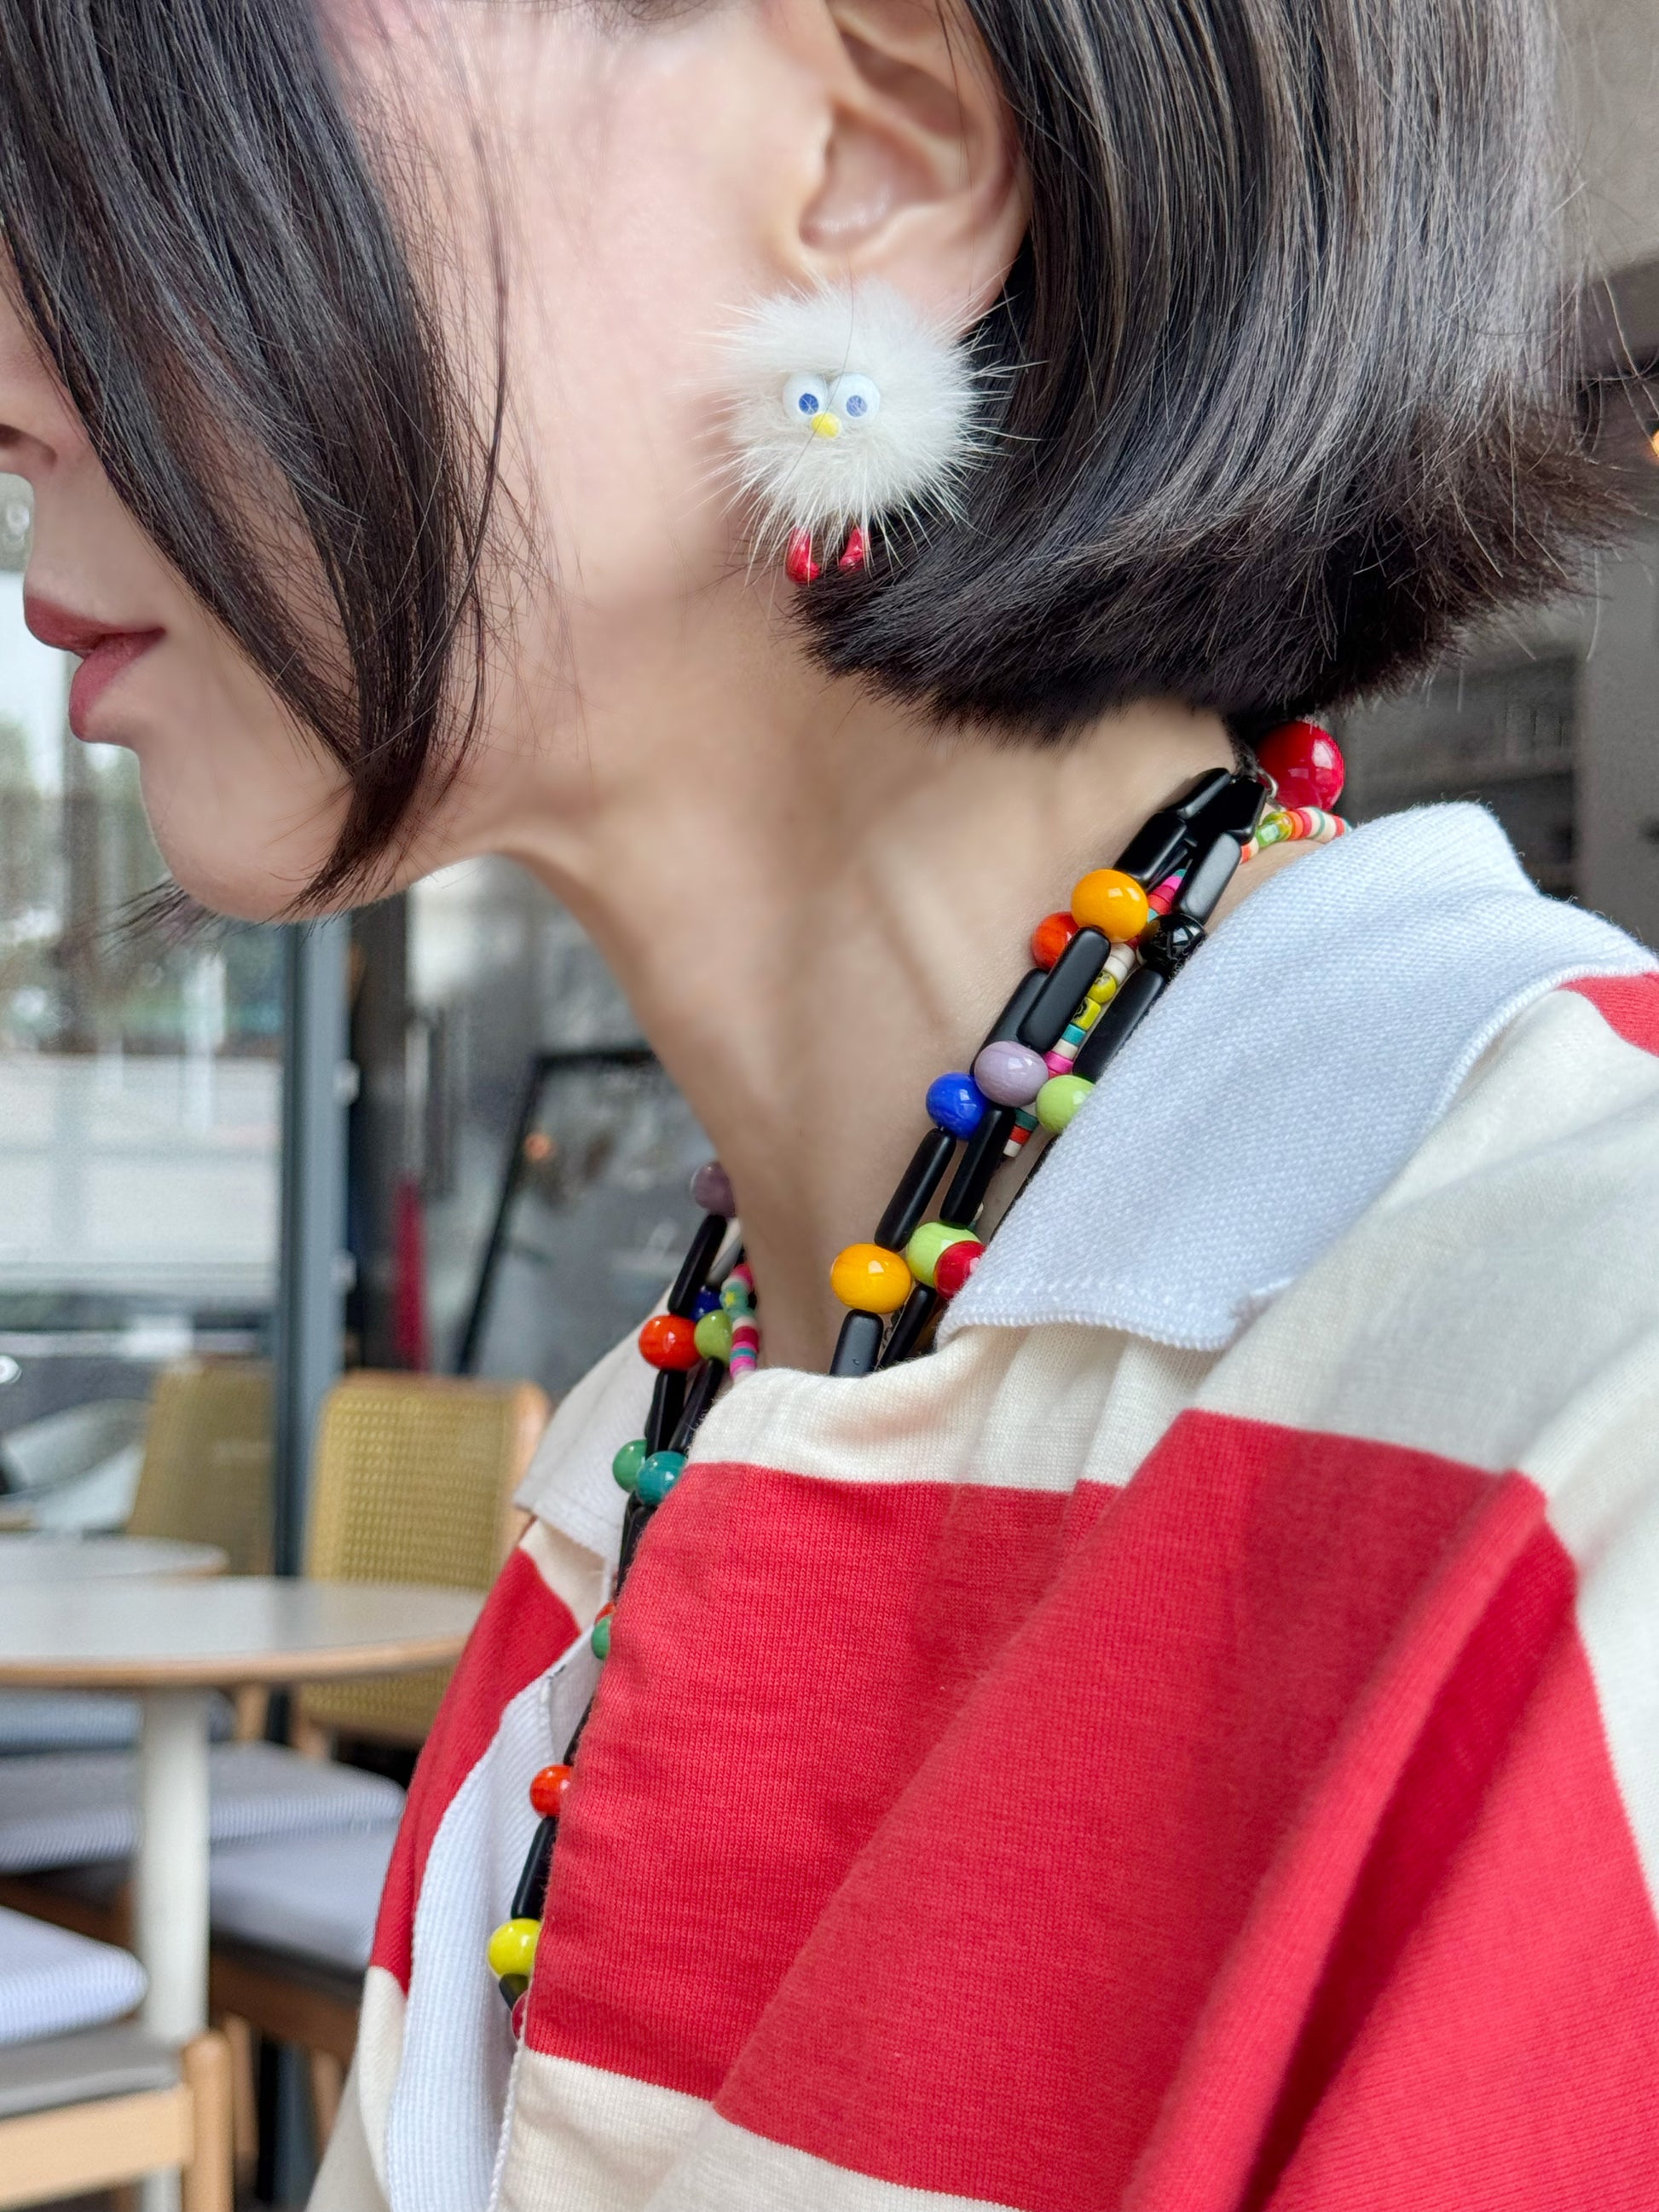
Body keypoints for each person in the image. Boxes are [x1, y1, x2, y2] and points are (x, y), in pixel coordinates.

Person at [3, 1, 1657, 2204]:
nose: (17, 379)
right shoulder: (630, 1488)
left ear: (867, 152)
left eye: (141, 121)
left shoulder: (1590, 1415)